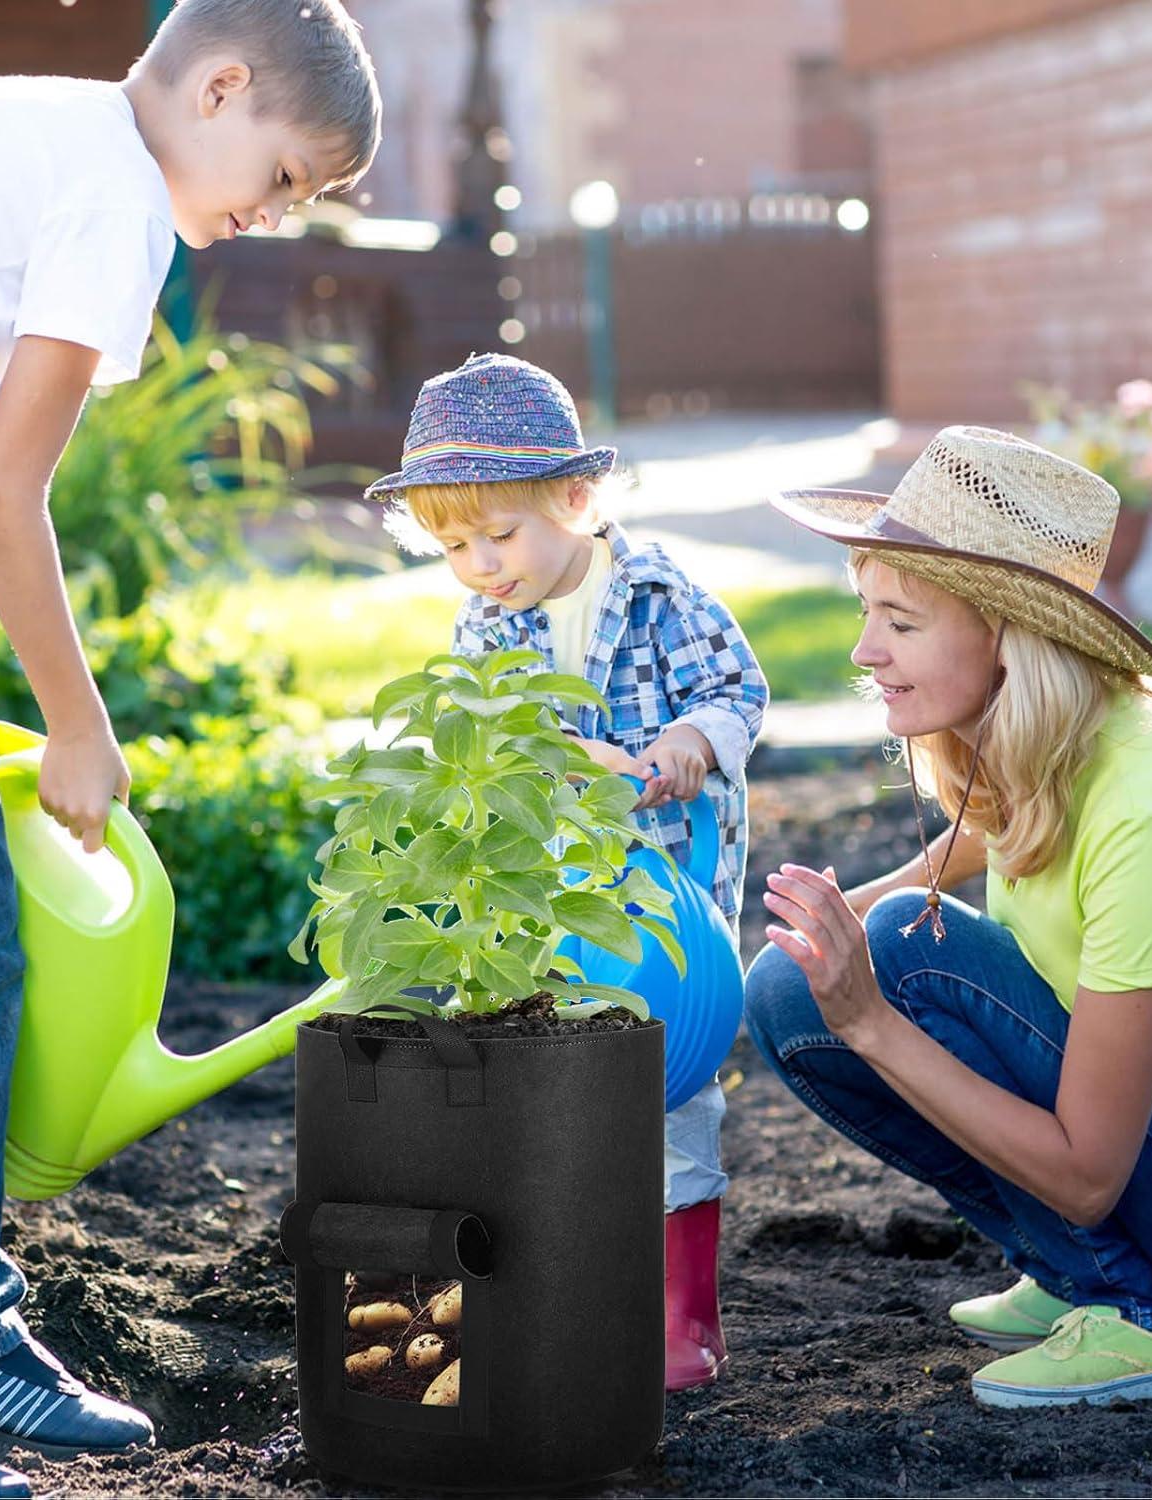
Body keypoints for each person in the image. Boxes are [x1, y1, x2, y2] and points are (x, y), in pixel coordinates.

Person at [0, 0, 379, 1454]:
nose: (275, 217)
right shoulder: (116, 200)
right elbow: (2, 496)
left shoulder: (11, 114)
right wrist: (80, 730)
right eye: (284, 177)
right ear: (220, 87)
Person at [742, 426, 1152, 1408]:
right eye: (865, 612)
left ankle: (1145, 1319)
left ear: (1008, 638)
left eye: (901, 619)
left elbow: (1093, 1173)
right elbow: (985, 837)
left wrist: (870, 1023)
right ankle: (1086, 1276)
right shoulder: (1057, 738)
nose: (863, 650)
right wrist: (821, 933)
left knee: (904, 955)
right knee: (791, 983)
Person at [375, 352, 768, 1390]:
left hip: (663, 901)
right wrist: (543, 759)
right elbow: (477, 734)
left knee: (670, 1088)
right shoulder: (486, 622)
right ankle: (578, 1292)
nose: (481, 563)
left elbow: (739, 687)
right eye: (452, 544)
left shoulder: (659, 594)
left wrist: (688, 739)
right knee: (551, 1080)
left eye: (499, 534)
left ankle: (684, 1319)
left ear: (579, 498)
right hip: (543, 906)